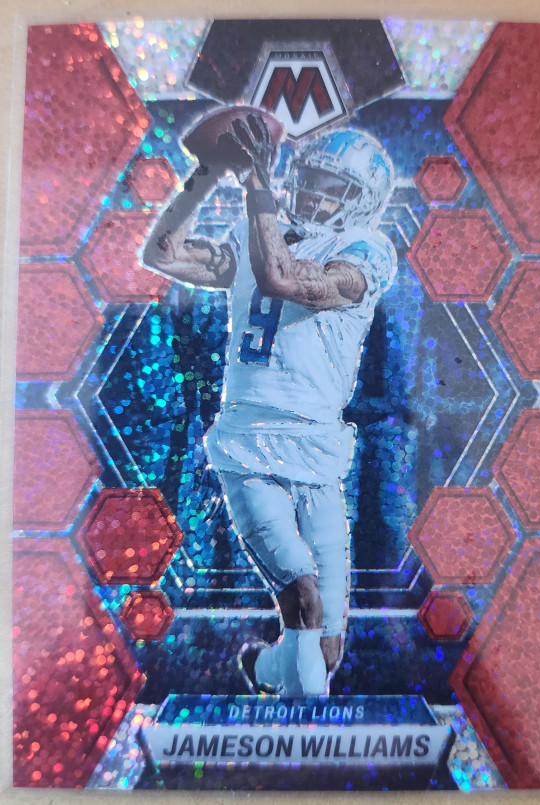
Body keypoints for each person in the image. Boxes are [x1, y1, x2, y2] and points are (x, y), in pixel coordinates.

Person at [143, 112, 397, 696]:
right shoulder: (257, 231)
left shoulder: (366, 251)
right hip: (248, 442)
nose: (311, 192)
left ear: (363, 201)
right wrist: (205, 174)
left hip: (318, 448)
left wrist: (256, 182)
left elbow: (282, 277)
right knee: (303, 601)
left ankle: (265, 670)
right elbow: (162, 253)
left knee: (326, 645)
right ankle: (307, 737)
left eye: (332, 186)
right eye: (309, 178)